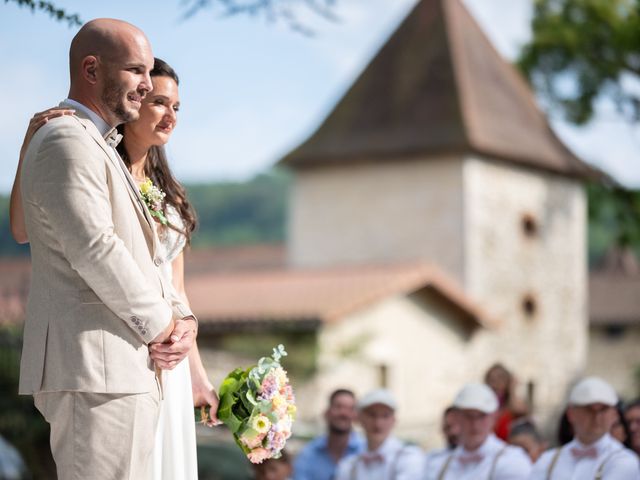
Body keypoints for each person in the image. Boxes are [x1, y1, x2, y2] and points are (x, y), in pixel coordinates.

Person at [11, 57, 221, 479]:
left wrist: (195, 372)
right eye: (158, 101)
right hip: (121, 350)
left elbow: (176, 287)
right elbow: (21, 229)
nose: (169, 115)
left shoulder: (170, 193)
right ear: (135, 102)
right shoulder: (93, 161)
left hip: (171, 352)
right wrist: (27, 148)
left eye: (176, 107)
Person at [530, 376, 640, 479]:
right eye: (588, 410)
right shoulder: (549, 460)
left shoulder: (623, 460)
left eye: (603, 409)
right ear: (571, 414)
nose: (597, 416)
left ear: (614, 415)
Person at [424, 383, 532, 479]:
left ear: (493, 417)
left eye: (482, 416)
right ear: (456, 417)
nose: (475, 424)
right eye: (468, 416)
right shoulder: (437, 464)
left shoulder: (512, 462)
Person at [335, 389, 424, 480]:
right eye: (372, 415)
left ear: (394, 420)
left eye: (385, 416)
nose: (378, 423)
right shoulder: (348, 466)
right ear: (359, 419)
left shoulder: (409, 457)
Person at [293, 389, 364, 480]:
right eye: (338, 407)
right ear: (326, 413)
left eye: (349, 409)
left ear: (355, 416)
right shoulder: (308, 454)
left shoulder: (366, 452)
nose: (343, 413)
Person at [484, 363, 528, 440]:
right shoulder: (483, 405)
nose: (496, 383)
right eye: (492, 380)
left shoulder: (513, 405)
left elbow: (520, 410)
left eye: (500, 378)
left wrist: (512, 389)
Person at [424, 406, 460, 471]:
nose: (453, 432)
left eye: (458, 425)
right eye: (448, 427)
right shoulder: (432, 460)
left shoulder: (481, 460)